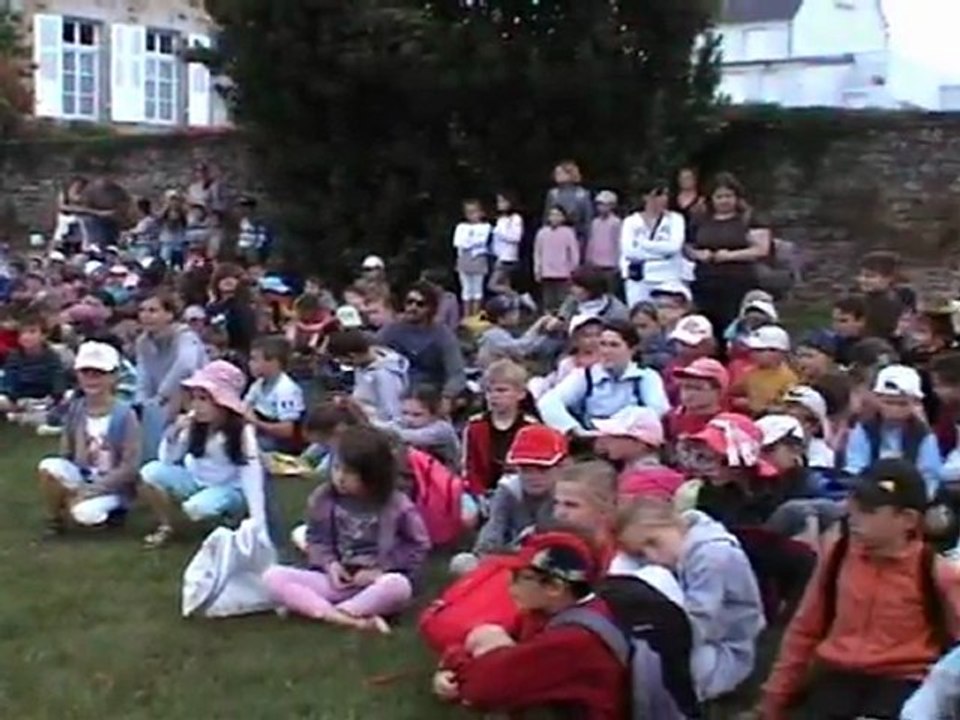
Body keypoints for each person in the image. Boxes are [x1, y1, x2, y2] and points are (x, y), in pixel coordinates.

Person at [762, 459, 960, 720]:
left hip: (903, 685)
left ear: (908, 519)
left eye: (868, 508)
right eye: (853, 501)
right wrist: (773, 702)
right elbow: (805, 631)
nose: (852, 514)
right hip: (836, 678)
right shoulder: (838, 556)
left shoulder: (937, 573)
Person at [434, 530, 626, 719]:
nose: (509, 585)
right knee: (489, 635)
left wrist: (457, 668)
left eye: (520, 577)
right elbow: (483, 639)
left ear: (554, 587)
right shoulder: (546, 612)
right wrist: (451, 668)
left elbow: (479, 690)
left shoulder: (574, 638)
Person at [261, 426, 430, 633]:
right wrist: (330, 564)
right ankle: (352, 619)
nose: (340, 477)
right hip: (336, 581)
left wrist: (381, 569)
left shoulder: (397, 505)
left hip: (376, 582)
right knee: (273, 577)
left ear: (372, 475)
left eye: (349, 473)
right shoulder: (323, 499)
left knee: (398, 586)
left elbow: (417, 545)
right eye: (337, 468)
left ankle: (325, 611)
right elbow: (316, 540)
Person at [617, 497, 766, 703]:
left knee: (658, 673)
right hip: (709, 639)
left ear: (672, 523)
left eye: (653, 542)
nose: (653, 557)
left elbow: (698, 623)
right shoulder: (683, 549)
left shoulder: (711, 556)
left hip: (730, 648)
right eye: (641, 553)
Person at [139, 360, 264, 548]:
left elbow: (253, 478)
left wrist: (258, 522)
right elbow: (167, 459)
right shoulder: (194, 426)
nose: (196, 405)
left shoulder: (242, 433)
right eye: (195, 398)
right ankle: (165, 526)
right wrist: (174, 435)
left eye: (204, 399)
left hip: (229, 489)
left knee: (195, 508)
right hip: (196, 480)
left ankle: (228, 524)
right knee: (149, 472)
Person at [37, 342, 140, 536]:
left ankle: (115, 511)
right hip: (83, 474)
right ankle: (54, 519)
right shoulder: (76, 409)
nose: (92, 379)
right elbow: (66, 452)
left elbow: (129, 466)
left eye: (99, 374)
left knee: (84, 514)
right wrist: (70, 485)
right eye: (86, 373)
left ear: (114, 376)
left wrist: (95, 489)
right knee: (49, 466)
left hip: (113, 485)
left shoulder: (125, 415)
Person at [539, 320, 671, 434]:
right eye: (603, 344)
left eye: (614, 345)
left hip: (633, 443)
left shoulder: (646, 377)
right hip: (593, 444)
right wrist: (574, 429)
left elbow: (659, 411)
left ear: (632, 349)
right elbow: (548, 402)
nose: (606, 351)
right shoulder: (585, 375)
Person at [686, 172, 771, 348]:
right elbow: (687, 245)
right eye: (719, 197)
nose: (724, 201)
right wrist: (698, 254)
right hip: (705, 283)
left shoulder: (749, 219)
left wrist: (729, 256)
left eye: (728, 196)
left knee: (734, 327)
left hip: (737, 282)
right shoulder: (701, 220)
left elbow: (762, 249)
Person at [844, 364, 942, 498]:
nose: (895, 409)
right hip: (870, 492)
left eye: (902, 404)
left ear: (915, 403)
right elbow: (856, 466)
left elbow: (929, 474)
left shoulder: (923, 435)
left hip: (909, 494)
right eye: (889, 403)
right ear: (877, 399)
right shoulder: (864, 429)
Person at [471, 424, 568, 557]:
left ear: (562, 467)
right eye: (525, 469)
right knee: (463, 563)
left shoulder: (571, 495)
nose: (533, 477)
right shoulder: (508, 490)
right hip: (511, 558)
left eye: (543, 469)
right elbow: (490, 537)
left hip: (557, 562)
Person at [135, 291, 209, 460]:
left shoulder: (186, 337)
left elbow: (186, 366)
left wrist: (161, 395)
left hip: (190, 401)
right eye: (142, 310)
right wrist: (142, 402)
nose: (146, 316)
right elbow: (142, 376)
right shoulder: (142, 342)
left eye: (153, 311)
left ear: (169, 315)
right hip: (157, 402)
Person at [375, 282, 466, 410]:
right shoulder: (391, 329)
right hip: (396, 391)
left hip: (431, 394)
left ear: (431, 308)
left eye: (420, 304)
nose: (413, 307)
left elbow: (456, 373)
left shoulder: (442, 334)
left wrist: (447, 397)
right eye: (409, 302)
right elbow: (373, 352)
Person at [463, 360, 538, 497]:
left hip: (519, 494)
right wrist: (479, 494)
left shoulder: (531, 427)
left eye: (501, 390)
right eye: (489, 391)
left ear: (521, 394)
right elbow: (469, 468)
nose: (494, 396)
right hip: (480, 494)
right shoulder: (475, 425)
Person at [618, 180, 687, 307]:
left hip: (667, 277)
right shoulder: (631, 221)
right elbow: (629, 251)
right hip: (639, 279)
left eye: (666, 194)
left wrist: (643, 244)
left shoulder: (676, 219)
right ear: (645, 197)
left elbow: (674, 247)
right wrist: (661, 253)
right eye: (658, 194)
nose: (663, 198)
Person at [592, 406, 684, 501]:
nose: (607, 441)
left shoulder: (649, 482)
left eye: (615, 436)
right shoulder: (623, 472)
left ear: (641, 443)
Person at [326, 329, 409, 423]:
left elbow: (391, 413)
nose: (343, 364)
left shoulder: (385, 376)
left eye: (341, 360)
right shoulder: (362, 366)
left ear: (352, 356)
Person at [244, 336, 306, 453]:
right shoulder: (258, 383)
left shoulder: (286, 389)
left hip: (278, 443)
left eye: (255, 359)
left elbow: (287, 430)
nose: (250, 364)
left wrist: (256, 423)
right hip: (259, 432)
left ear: (273, 362)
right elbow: (246, 405)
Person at [379, 385, 461, 470]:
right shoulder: (404, 423)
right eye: (404, 413)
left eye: (417, 415)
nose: (408, 419)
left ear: (435, 413)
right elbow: (389, 425)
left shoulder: (442, 429)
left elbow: (408, 436)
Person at [0, 314, 66, 418]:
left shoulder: (51, 355)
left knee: (68, 398)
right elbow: (10, 379)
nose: (26, 336)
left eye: (32, 332)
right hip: (20, 398)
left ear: (44, 335)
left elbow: (57, 377)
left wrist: (56, 396)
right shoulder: (14, 356)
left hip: (46, 397)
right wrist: (14, 397)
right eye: (22, 333)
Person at [730, 325, 799, 416]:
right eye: (752, 350)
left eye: (759, 350)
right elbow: (734, 394)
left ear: (778, 353)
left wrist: (761, 408)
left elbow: (791, 408)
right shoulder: (749, 372)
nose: (752, 353)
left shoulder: (789, 378)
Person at [476, 295, 551, 369]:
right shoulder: (493, 334)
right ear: (501, 318)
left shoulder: (498, 331)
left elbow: (522, 342)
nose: (517, 314)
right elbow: (521, 349)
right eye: (512, 312)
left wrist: (539, 328)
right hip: (493, 377)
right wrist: (541, 331)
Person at [665, 357, 729, 442]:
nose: (689, 393)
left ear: (718, 391)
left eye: (697, 388)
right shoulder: (669, 420)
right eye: (685, 387)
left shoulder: (725, 424)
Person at [534, 205, 581, 312]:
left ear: (563, 218)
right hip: (546, 272)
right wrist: (537, 269)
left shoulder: (568, 232)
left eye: (558, 215)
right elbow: (538, 252)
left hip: (563, 273)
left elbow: (574, 252)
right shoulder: (542, 232)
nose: (554, 218)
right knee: (548, 300)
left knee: (563, 300)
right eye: (552, 215)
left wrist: (573, 269)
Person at [452, 199, 492, 318]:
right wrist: (470, 242)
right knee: (466, 289)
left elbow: (481, 241)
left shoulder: (486, 227)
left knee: (477, 289)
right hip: (464, 260)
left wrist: (470, 242)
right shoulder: (461, 227)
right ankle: (466, 317)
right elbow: (458, 243)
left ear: (481, 212)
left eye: (475, 212)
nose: (472, 215)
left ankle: (475, 318)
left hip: (478, 260)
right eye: (469, 212)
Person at [207, 264, 257, 357]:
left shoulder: (246, 308)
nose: (228, 280)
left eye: (234, 277)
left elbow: (249, 336)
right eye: (223, 277)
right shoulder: (211, 308)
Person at [857, 250, 907, 342]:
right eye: (861, 275)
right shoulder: (869, 298)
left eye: (870, 276)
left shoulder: (886, 303)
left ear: (889, 278)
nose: (862, 280)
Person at [556, 264, 630, 325]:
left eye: (579, 287)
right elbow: (562, 318)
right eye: (572, 285)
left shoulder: (616, 311)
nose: (573, 290)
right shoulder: (572, 301)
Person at [543, 160, 593, 250]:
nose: (556, 175)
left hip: (575, 237)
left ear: (570, 174)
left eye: (560, 173)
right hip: (554, 237)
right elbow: (546, 218)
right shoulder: (553, 194)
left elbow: (587, 221)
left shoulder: (582, 194)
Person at [489, 192, 524, 295]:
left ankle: (519, 296)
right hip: (499, 256)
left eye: (502, 201)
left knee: (492, 284)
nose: (499, 204)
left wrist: (500, 233)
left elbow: (516, 237)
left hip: (508, 257)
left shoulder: (515, 218)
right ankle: (512, 308)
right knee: (505, 283)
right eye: (498, 201)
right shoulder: (500, 219)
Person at [585, 190, 622, 282]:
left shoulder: (616, 222)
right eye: (600, 205)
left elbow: (618, 243)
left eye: (606, 205)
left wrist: (618, 262)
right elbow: (591, 241)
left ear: (612, 206)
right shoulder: (595, 222)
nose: (602, 207)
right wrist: (588, 258)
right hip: (595, 263)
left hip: (610, 263)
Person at [629, 301, 672, 371]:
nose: (638, 332)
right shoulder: (628, 345)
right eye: (634, 327)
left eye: (643, 326)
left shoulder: (671, 344)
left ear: (658, 324)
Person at [831, 295, 869, 367]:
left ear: (860, 321)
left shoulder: (873, 347)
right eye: (834, 320)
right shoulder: (833, 345)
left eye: (843, 321)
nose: (836, 326)